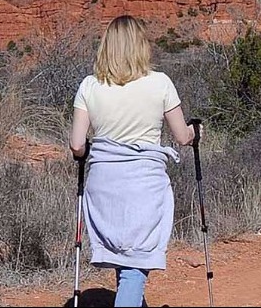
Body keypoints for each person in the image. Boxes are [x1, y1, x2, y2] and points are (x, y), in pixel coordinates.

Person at [69, 15, 198, 307]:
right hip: (144, 185)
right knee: (134, 267)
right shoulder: (160, 83)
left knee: (125, 261)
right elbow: (182, 136)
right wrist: (196, 131)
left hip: (104, 186)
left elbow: (77, 145)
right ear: (141, 45)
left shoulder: (90, 86)